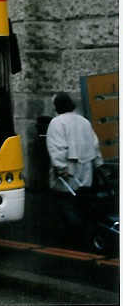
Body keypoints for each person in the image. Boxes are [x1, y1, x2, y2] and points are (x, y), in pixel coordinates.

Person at [45, 91, 103, 243]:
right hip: (86, 167)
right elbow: (94, 144)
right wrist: (98, 163)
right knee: (82, 200)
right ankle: (84, 231)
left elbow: (57, 148)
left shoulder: (56, 123)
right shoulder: (84, 121)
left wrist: (60, 167)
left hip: (69, 169)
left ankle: (73, 235)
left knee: (65, 201)